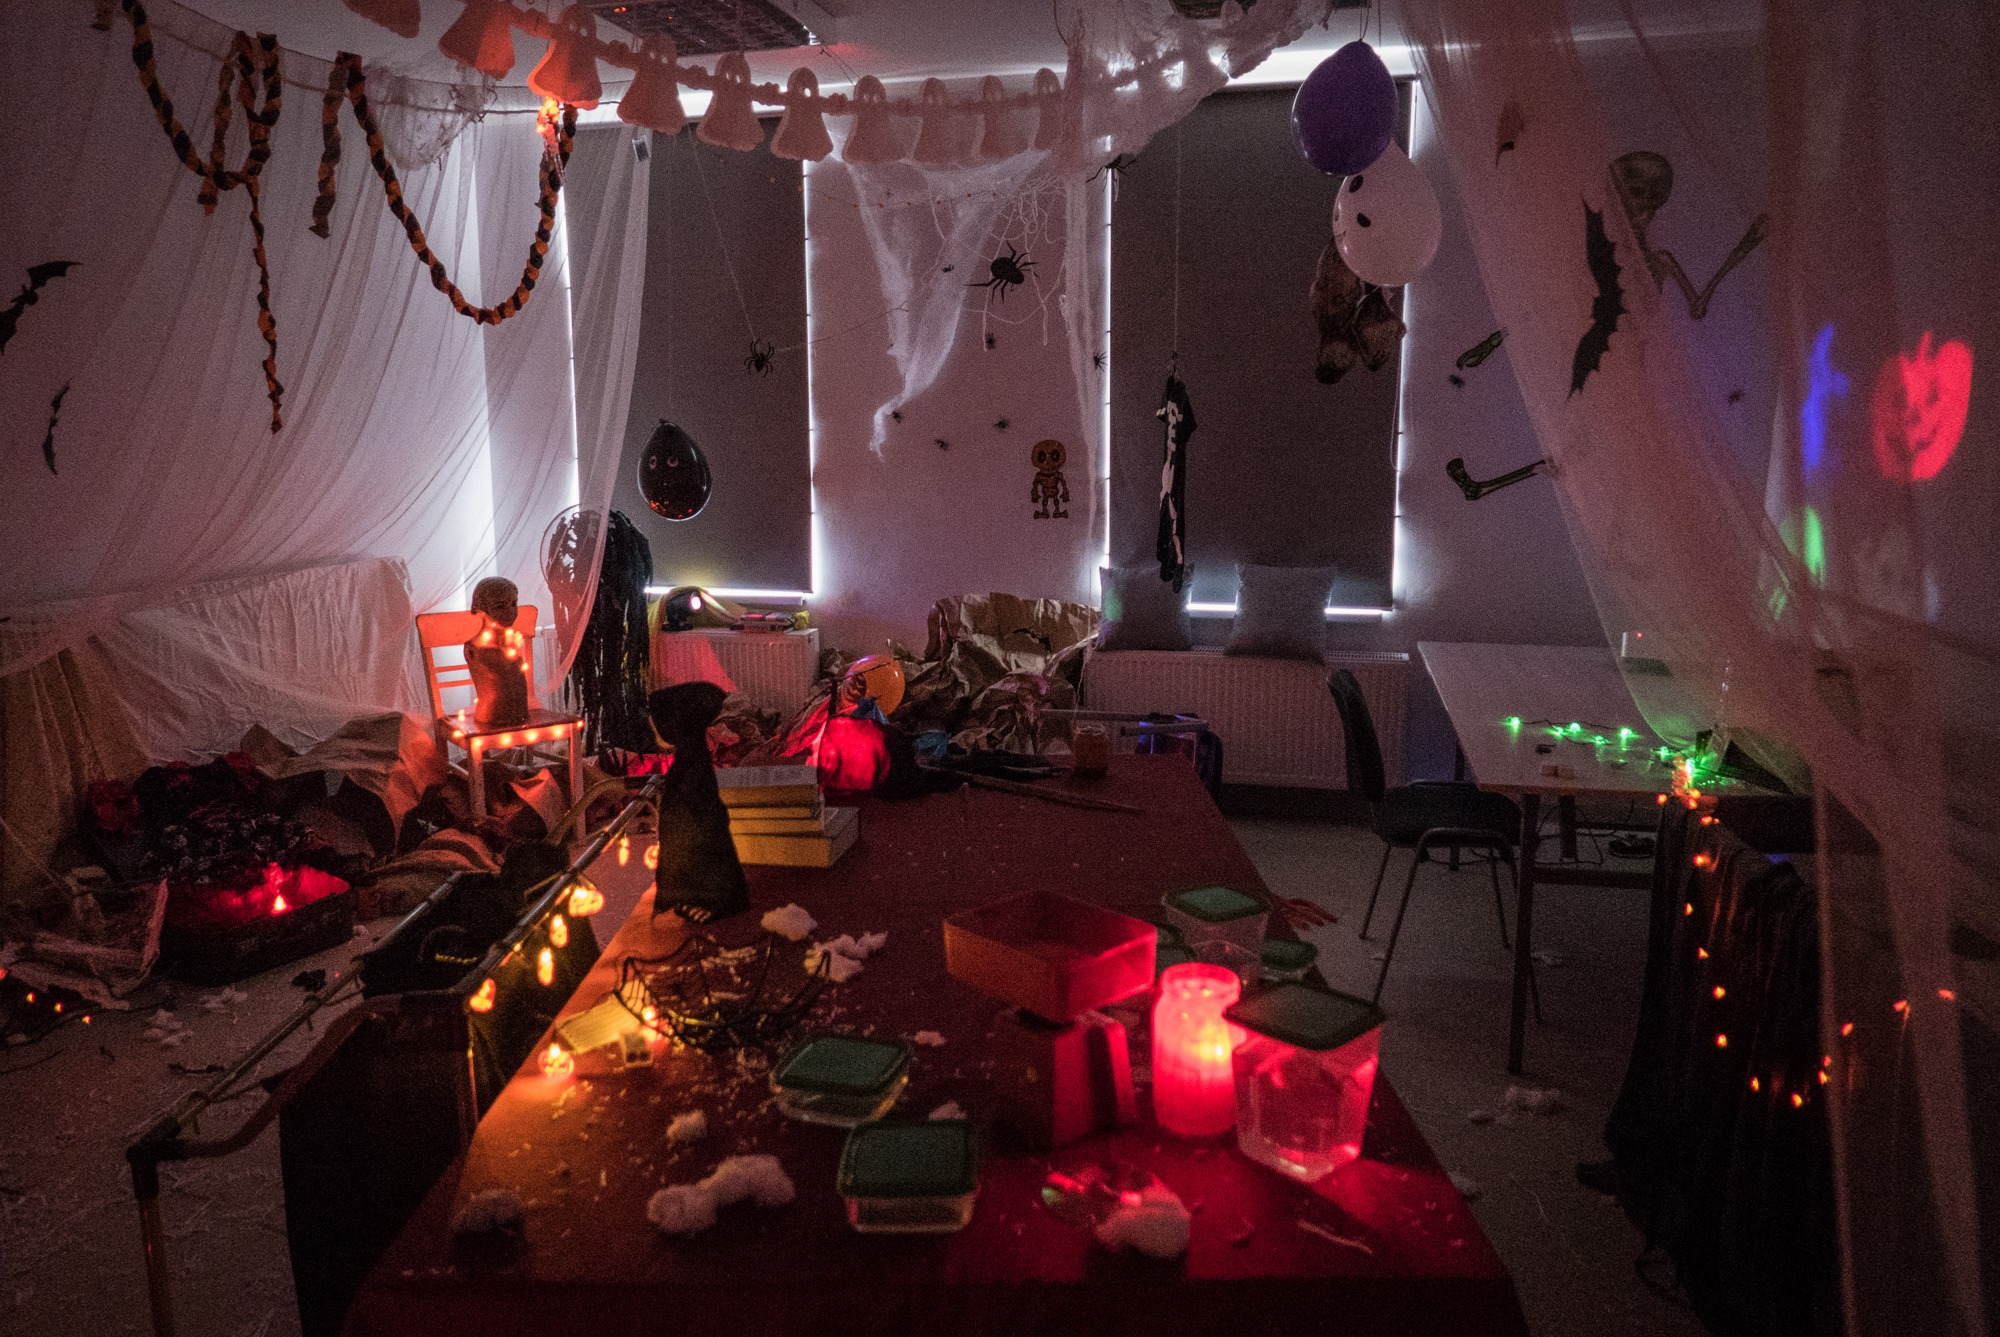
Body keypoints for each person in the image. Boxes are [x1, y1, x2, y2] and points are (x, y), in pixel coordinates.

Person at [464, 576, 530, 728]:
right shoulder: (474, 649)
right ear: (480, 608)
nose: (510, 612)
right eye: (499, 606)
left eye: (513, 604)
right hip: (490, 718)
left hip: (522, 717)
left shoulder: (513, 644)